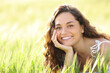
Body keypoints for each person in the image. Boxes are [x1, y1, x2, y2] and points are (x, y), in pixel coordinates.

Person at [43, 4, 110, 73]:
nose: (63, 32)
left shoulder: (105, 48)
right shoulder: (61, 54)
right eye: (58, 27)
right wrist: (69, 53)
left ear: (82, 28)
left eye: (70, 26)